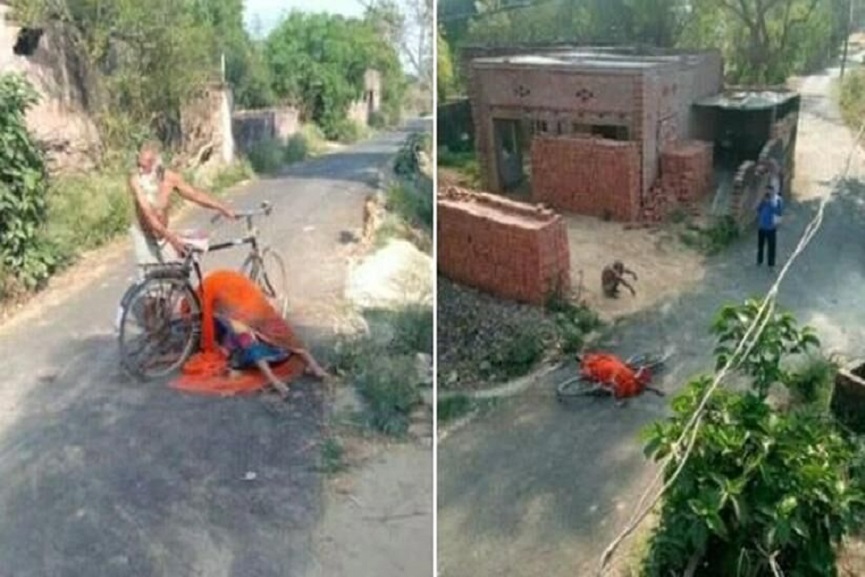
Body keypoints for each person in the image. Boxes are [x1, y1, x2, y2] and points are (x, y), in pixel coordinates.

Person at [175, 270, 329, 399]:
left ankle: (299, 371)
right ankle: (306, 369)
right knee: (267, 334)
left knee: (264, 336)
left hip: (239, 303)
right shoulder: (213, 295)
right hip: (243, 302)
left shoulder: (216, 300)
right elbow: (245, 339)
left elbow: (272, 335)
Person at [128, 139, 236, 270]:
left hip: (163, 235)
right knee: (150, 278)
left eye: (145, 167)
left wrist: (221, 207)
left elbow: (195, 195)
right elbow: (149, 216)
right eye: (139, 165)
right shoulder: (136, 181)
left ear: (157, 164)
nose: (141, 171)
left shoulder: (170, 179)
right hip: (144, 236)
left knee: (176, 274)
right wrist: (173, 239)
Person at [576, 352, 661, 400]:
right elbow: (609, 357)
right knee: (634, 380)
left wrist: (583, 375)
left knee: (616, 387)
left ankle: (619, 401)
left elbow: (589, 375)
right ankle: (656, 390)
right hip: (618, 367)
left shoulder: (587, 365)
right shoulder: (595, 356)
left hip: (612, 374)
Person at [756, 184, 783, 268]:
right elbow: (758, 209)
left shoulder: (777, 200)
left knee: (771, 246)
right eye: (766, 191)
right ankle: (759, 261)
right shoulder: (763, 199)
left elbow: (779, 212)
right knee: (760, 245)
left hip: (771, 227)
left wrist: (770, 203)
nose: (767, 193)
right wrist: (762, 202)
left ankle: (771, 263)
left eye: (769, 191)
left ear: (773, 191)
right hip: (762, 226)